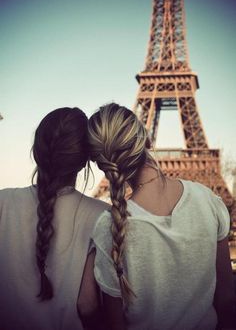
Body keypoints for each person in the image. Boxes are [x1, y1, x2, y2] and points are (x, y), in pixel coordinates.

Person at [87, 103, 236, 330]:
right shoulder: (208, 201)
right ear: (146, 140)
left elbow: (114, 324)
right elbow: (226, 298)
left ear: (102, 164)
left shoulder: (109, 226)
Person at [0, 107, 109, 330]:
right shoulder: (101, 215)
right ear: (84, 160)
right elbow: (87, 305)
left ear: (36, 150)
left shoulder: (3, 202)